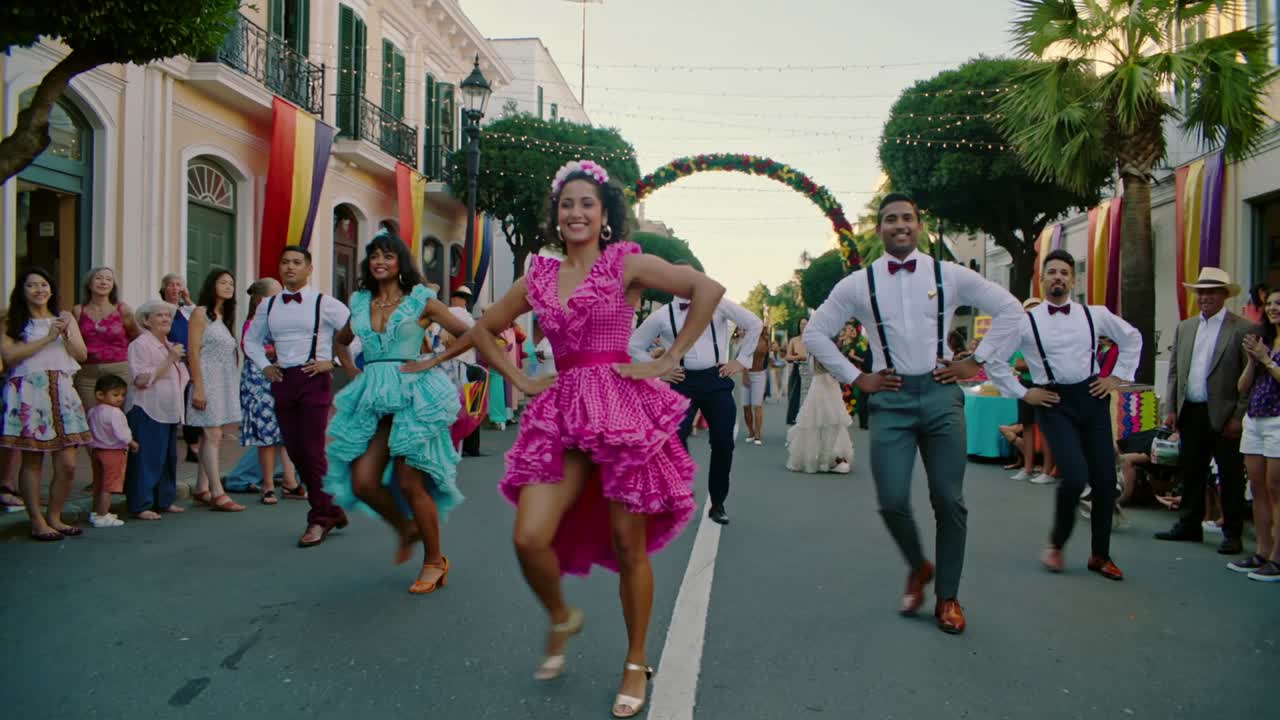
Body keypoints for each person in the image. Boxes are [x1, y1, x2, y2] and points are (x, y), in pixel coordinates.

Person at [422, 159, 722, 717]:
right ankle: (562, 617)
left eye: (588, 203)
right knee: (529, 537)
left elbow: (705, 287)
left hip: (619, 408)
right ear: (556, 216)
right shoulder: (536, 275)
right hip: (561, 410)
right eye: (567, 204)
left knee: (629, 543)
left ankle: (635, 661)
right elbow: (484, 329)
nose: (576, 212)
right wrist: (518, 378)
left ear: (605, 215)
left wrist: (669, 358)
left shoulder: (625, 264)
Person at [803, 192, 1024, 635]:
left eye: (907, 218)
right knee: (891, 501)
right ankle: (918, 565)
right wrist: (857, 377)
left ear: (919, 225)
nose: (899, 225)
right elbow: (815, 333)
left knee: (948, 500)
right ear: (880, 228)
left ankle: (948, 596)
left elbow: (1011, 310)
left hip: (941, 396)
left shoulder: (949, 274)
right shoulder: (857, 284)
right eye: (890, 219)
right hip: (891, 398)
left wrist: (975, 362)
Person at [324, 230, 471, 593]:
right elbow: (340, 341)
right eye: (374, 255)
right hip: (373, 395)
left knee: (410, 480)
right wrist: (354, 370)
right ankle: (406, 528)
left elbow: (469, 334)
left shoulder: (421, 300)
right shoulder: (360, 301)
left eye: (388, 256)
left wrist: (434, 359)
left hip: (414, 393)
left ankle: (434, 561)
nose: (380, 262)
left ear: (400, 262)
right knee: (363, 482)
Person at [986, 249, 1142, 582]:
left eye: (1064, 273)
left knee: (1103, 480)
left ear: (1073, 279)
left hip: (1092, 396)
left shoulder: (1094, 314)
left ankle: (1100, 555)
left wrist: (1116, 377)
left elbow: (1132, 337)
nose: (1058, 277)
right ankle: (1057, 542)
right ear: (1041, 279)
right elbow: (994, 359)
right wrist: (1024, 392)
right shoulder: (1026, 322)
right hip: (1054, 402)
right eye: (1052, 272)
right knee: (1073, 475)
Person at [243, 246, 352, 548]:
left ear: (309, 268)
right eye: (285, 262)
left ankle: (318, 517)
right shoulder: (269, 305)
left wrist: (336, 362)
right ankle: (331, 508)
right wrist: (265, 366)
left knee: (312, 449)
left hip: (314, 379)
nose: (290, 267)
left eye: (296, 262)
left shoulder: (325, 303)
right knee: (294, 449)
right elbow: (250, 340)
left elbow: (360, 334)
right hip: (283, 379)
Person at [630, 284, 761, 525]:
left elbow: (754, 323)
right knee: (674, 440)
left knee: (723, 442)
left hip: (716, 378)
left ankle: (718, 503)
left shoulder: (717, 303)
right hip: (681, 381)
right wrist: (660, 370)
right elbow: (634, 345)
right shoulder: (662, 315)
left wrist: (741, 360)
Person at [1154, 267, 1253, 555]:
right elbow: (1174, 372)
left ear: (1224, 295)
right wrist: (1170, 408)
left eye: (1211, 291)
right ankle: (1189, 524)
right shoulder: (1186, 327)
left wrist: (1238, 416)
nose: (1205, 296)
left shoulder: (1241, 327)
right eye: (1201, 291)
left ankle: (1232, 532)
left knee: (1230, 476)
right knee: (1192, 471)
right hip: (1191, 411)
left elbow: (1251, 376)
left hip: (1223, 413)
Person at [0, 268, 91, 540]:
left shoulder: (65, 319)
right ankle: (37, 521)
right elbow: (11, 355)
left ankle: (55, 516)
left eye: (44, 285)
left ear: (51, 290)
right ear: (22, 291)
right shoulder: (12, 320)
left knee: (68, 463)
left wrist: (64, 336)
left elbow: (82, 354)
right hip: (29, 391)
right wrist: (47, 338)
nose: (39, 290)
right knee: (33, 459)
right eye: (32, 285)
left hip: (62, 389)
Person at [236, 278, 302, 504]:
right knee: (266, 436)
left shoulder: (279, 320)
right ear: (262, 299)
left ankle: (290, 481)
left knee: (287, 431)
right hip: (259, 382)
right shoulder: (253, 323)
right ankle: (268, 485)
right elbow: (258, 350)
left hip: (281, 379)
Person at [124, 300, 190, 520]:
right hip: (147, 408)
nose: (165, 319)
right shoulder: (140, 344)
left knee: (166, 458)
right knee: (146, 458)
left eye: (168, 316)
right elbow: (141, 379)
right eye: (159, 315)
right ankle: (140, 504)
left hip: (169, 409)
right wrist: (170, 360)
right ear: (146, 320)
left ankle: (164, 500)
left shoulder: (170, 345)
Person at [185, 268, 244, 512]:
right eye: (223, 282)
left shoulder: (222, 315)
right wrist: (199, 387)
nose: (229, 286)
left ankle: (202, 487)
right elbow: (193, 352)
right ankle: (218, 492)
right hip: (207, 380)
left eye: (231, 283)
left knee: (211, 434)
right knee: (213, 435)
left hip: (224, 380)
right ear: (212, 285)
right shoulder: (200, 313)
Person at [1232, 287, 1280, 581]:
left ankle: (1278, 557)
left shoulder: (1269, 350)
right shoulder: (1264, 340)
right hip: (1255, 419)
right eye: (1271, 303)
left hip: (1278, 420)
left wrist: (1266, 360)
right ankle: (1263, 552)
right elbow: (1242, 387)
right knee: (1258, 488)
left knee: (1277, 489)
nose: (1274, 308)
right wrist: (1252, 360)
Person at [72, 266, 139, 411]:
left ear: (113, 286)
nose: (103, 282)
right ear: (89, 284)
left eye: (108, 279)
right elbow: (73, 341)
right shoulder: (78, 311)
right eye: (98, 278)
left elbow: (137, 337)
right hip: (87, 374)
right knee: (91, 417)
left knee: (118, 418)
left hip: (119, 371)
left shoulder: (123, 310)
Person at [785, 357, 854, 474]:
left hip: (824, 384)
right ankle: (829, 458)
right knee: (824, 418)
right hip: (824, 383)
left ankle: (828, 457)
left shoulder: (817, 345)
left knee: (825, 419)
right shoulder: (822, 346)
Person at [86, 374, 136, 528]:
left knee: (99, 483)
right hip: (113, 451)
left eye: (122, 395)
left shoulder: (92, 411)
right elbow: (121, 432)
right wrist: (131, 442)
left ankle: (96, 511)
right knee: (109, 485)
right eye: (115, 395)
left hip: (97, 450)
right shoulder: (115, 413)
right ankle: (103, 515)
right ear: (100, 394)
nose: (120, 398)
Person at [741, 325, 770, 445]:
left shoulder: (765, 341)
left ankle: (757, 434)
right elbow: (742, 358)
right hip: (747, 373)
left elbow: (766, 358)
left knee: (757, 405)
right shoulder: (747, 340)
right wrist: (745, 375)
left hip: (759, 375)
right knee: (745, 405)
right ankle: (751, 432)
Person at [785, 318, 811, 425]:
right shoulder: (794, 340)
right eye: (801, 324)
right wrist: (799, 357)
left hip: (810, 370)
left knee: (808, 397)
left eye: (805, 324)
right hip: (797, 370)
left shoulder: (812, 339)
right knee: (795, 396)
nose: (803, 326)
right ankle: (794, 421)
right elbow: (787, 356)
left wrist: (805, 357)